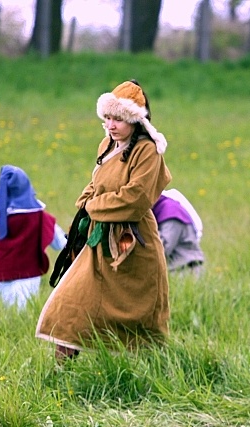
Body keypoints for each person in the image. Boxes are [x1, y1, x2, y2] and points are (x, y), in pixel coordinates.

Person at [36, 79, 172, 360]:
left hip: (133, 245)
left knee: (139, 316)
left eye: (118, 119)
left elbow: (135, 198)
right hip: (98, 241)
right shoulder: (107, 143)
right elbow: (96, 181)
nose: (111, 125)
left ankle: (148, 374)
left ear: (135, 120)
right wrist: (84, 201)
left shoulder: (147, 151)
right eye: (107, 118)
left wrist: (94, 206)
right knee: (71, 302)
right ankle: (62, 375)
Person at [0, 165, 67, 309]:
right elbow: (59, 240)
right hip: (28, 274)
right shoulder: (38, 216)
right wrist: (69, 245)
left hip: (0, 273)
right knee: (23, 307)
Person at [152, 188, 205, 274]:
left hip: (185, 269)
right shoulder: (160, 209)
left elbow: (162, 249)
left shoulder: (170, 211)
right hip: (175, 269)